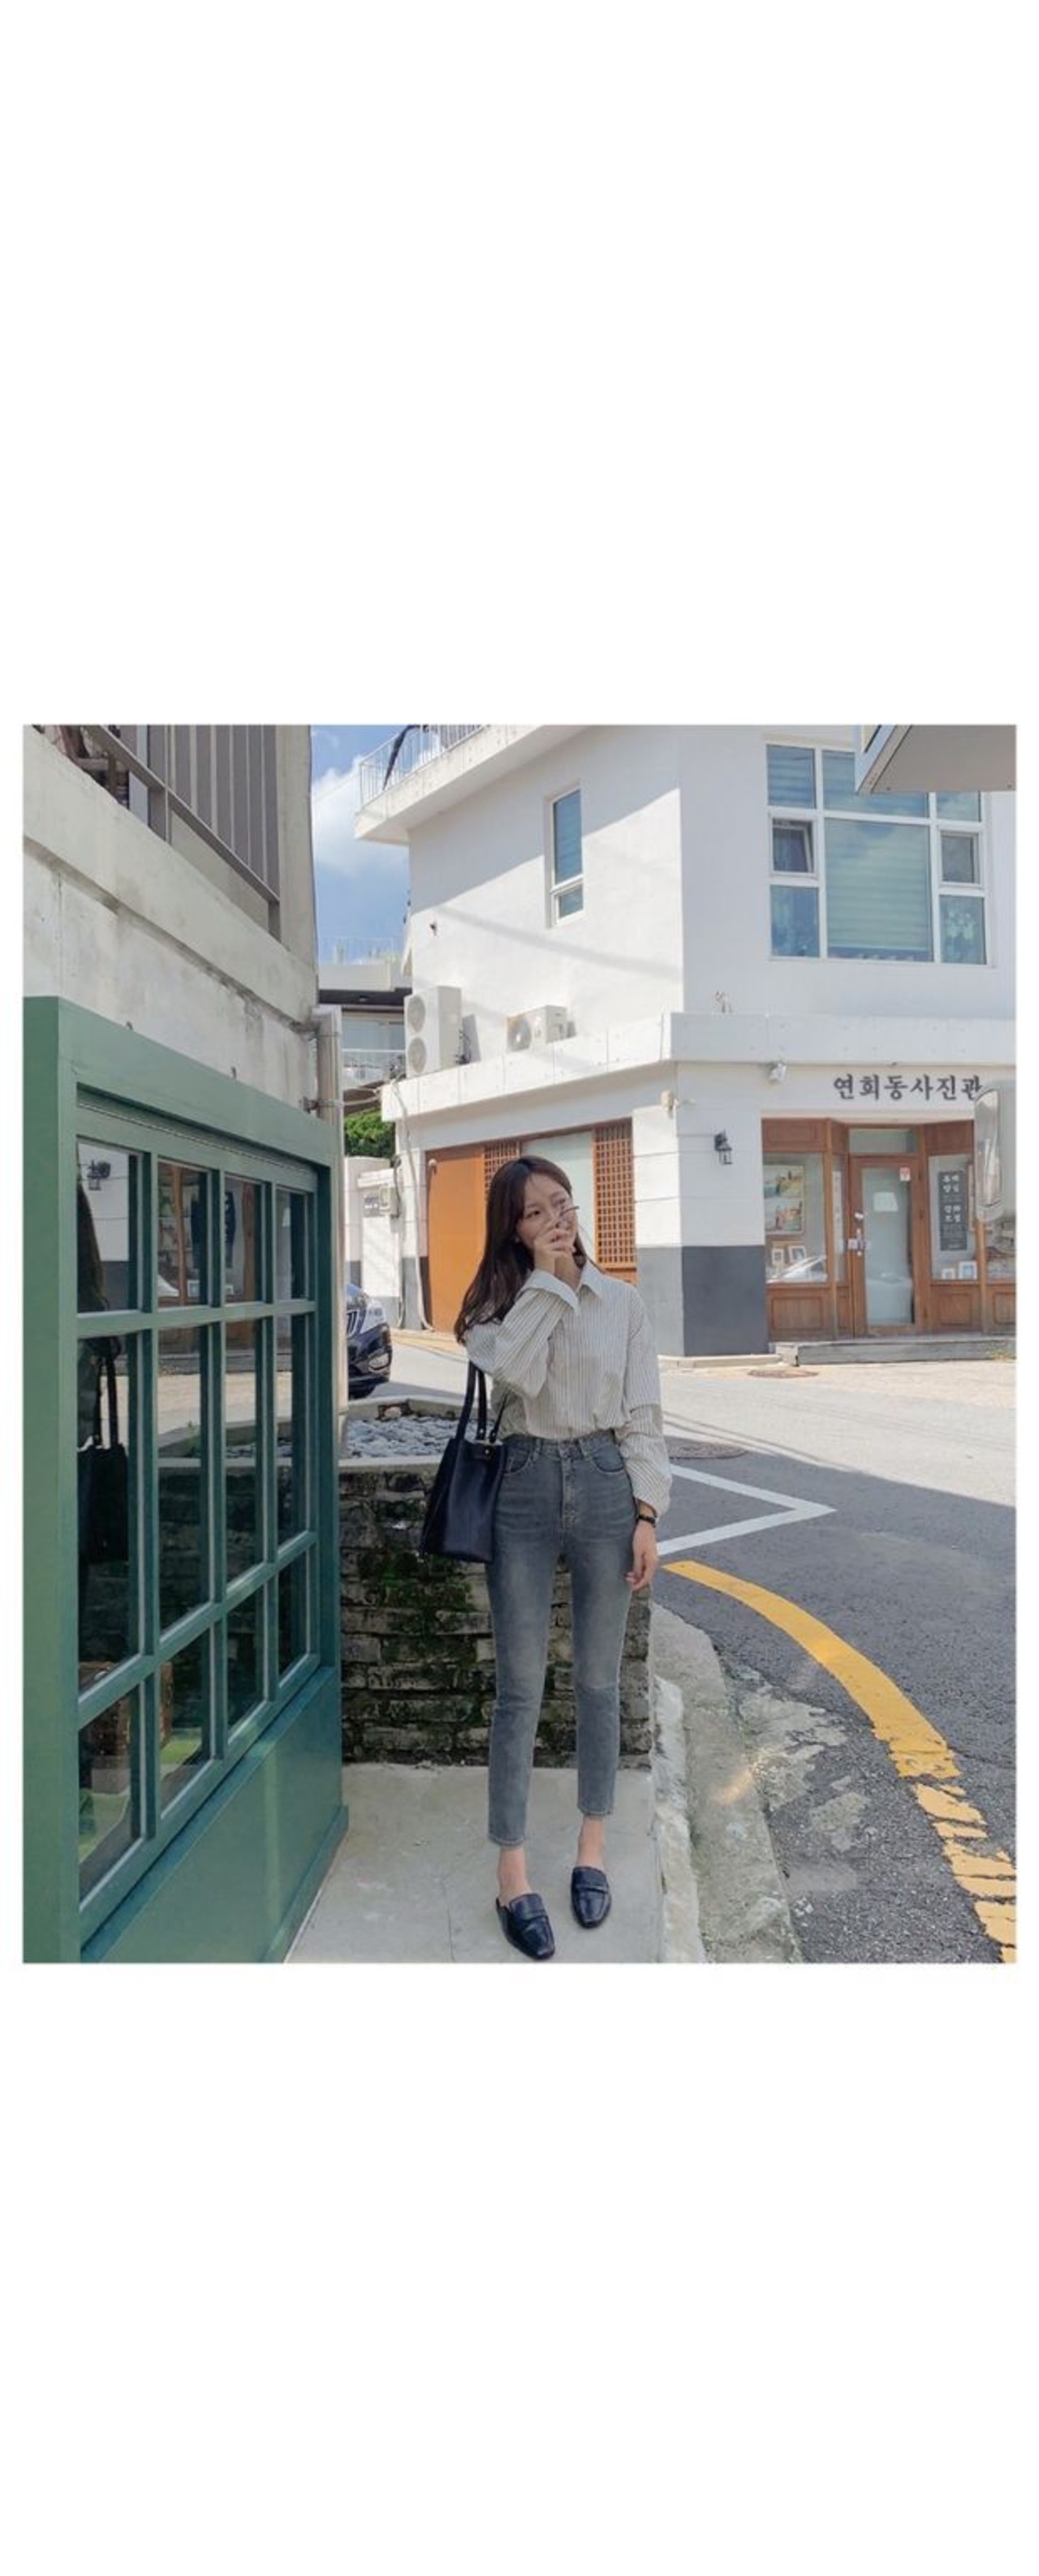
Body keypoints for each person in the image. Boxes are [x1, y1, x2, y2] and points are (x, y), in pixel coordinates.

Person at [455, 1155, 671, 1959]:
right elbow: (518, 1371)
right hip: (522, 1483)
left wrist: (646, 1513)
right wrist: (546, 1281)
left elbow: (643, 1415)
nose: (556, 1218)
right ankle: (512, 1871)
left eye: (562, 1202)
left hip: (606, 1483)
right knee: (518, 1686)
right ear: (512, 1228)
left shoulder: (623, 1303)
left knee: (598, 1680)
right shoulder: (492, 1308)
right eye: (535, 1211)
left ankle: (591, 1845)